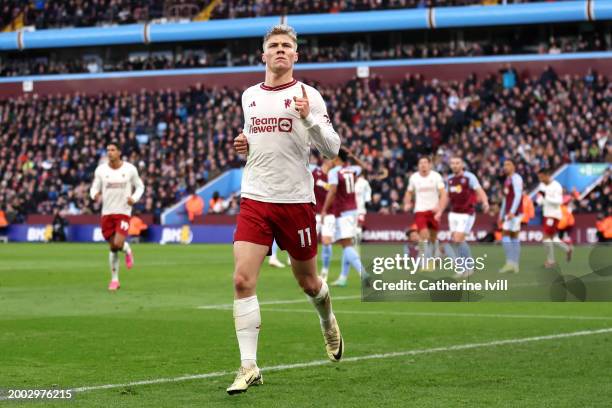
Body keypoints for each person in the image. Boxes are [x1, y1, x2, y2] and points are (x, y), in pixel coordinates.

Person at [227, 24, 342, 395]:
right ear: (263, 55)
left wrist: (308, 117)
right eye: (273, 46)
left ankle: (327, 319)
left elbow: (332, 148)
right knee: (242, 280)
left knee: (308, 282)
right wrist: (244, 143)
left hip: (295, 201)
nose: (279, 50)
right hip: (256, 198)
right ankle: (248, 366)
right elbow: (253, 136)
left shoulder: (309, 95)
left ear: (296, 55)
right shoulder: (249, 96)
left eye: (286, 46)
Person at [90, 141, 145, 291]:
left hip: (123, 212)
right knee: (113, 247)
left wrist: (134, 198)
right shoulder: (101, 170)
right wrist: (94, 194)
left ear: (119, 152)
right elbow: (94, 186)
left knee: (117, 244)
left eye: (113, 150)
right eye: (108, 150)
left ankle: (115, 279)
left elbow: (140, 186)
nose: (110, 153)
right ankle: (126, 252)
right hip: (107, 213)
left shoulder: (130, 169)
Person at [321, 148, 364, 287]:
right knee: (348, 244)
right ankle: (343, 277)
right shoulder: (352, 169)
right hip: (353, 211)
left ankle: (365, 275)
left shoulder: (335, 172)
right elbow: (363, 167)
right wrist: (353, 157)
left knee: (346, 245)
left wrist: (324, 210)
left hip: (343, 212)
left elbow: (332, 192)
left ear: (336, 158)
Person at [445, 157, 489, 277]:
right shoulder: (449, 179)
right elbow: (446, 197)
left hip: (466, 213)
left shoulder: (470, 177)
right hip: (453, 213)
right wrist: (439, 210)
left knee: (459, 239)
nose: (455, 165)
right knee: (457, 241)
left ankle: (466, 267)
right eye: (453, 163)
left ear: (462, 164)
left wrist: (485, 202)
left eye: (457, 163)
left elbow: (479, 190)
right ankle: (464, 268)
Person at [403, 156, 447, 272]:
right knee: (424, 236)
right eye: (421, 163)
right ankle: (424, 262)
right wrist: (407, 203)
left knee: (433, 238)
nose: (423, 165)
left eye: (425, 163)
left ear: (430, 165)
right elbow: (408, 192)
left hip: (433, 211)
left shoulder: (436, 176)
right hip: (420, 210)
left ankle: (436, 256)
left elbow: (443, 194)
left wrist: (440, 209)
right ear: (418, 165)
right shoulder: (414, 178)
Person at [535, 168, 572, 268]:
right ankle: (567, 249)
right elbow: (541, 198)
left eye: (541, 177)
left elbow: (559, 201)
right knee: (553, 238)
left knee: (546, 237)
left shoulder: (557, 186)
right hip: (546, 214)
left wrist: (546, 197)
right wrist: (537, 202)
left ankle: (551, 261)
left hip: (554, 215)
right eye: (539, 178)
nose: (540, 180)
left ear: (547, 175)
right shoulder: (542, 185)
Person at [498, 159, 523, 274]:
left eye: (508, 164)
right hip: (509, 213)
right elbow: (505, 199)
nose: (505, 167)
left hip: (515, 213)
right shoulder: (508, 180)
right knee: (511, 237)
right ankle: (513, 264)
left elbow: (518, 196)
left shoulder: (516, 178)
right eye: (504, 164)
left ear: (514, 166)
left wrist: (512, 211)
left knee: (509, 236)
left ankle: (512, 263)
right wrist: (501, 213)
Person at [312, 156, 333, 281]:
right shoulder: (316, 173)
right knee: (311, 242)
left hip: (329, 214)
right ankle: (311, 271)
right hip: (316, 213)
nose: (334, 163)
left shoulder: (334, 175)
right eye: (332, 160)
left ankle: (325, 270)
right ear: (326, 160)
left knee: (326, 241)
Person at [355, 168, 372, 247]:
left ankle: (357, 244)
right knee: (354, 227)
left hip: (360, 209)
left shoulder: (364, 182)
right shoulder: (350, 181)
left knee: (358, 227)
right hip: (352, 210)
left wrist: (367, 200)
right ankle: (354, 243)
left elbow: (368, 191)